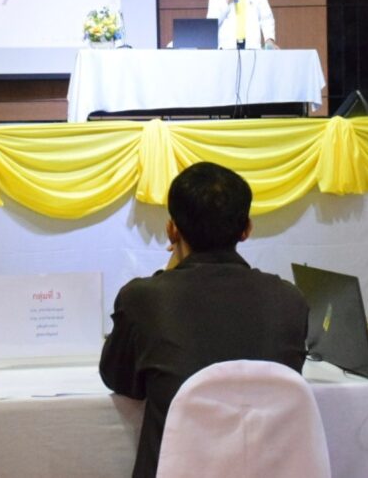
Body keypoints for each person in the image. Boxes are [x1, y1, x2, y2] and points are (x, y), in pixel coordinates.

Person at [99, 161, 308, 478]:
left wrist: (169, 272)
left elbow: (121, 381)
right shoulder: (290, 300)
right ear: (247, 229)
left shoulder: (143, 298)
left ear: (172, 229)